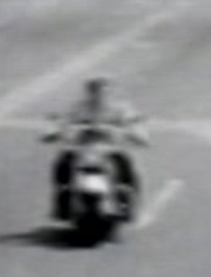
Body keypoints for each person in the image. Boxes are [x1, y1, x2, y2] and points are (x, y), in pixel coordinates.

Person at [46, 77, 147, 220]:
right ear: (88, 92)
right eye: (94, 90)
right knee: (62, 164)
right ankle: (62, 201)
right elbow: (63, 123)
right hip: (82, 149)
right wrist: (53, 132)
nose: (98, 94)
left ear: (109, 92)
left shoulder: (120, 109)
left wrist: (138, 135)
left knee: (127, 165)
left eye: (103, 91)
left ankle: (127, 202)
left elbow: (133, 124)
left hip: (111, 149)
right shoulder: (78, 108)